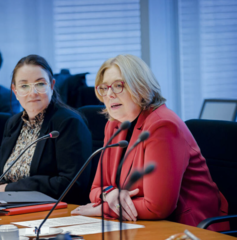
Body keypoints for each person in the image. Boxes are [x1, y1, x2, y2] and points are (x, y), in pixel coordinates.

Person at [71, 54, 228, 231]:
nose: (109, 94)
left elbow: (157, 207)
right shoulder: (114, 125)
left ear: (140, 87)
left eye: (118, 86)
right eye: (104, 88)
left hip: (188, 228)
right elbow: (96, 189)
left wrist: (103, 208)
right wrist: (111, 193)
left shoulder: (162, 125)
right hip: (137, 224)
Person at [0, 55, 92, 204]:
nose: (33, 93)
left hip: (53, 211)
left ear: (51, 85)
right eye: (24, 86)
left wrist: (9, 189)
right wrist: (1, 191)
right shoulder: (13, 123)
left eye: (40, 84)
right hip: (10, 207)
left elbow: (72, 184)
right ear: (15, 91)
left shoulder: (68, 123)